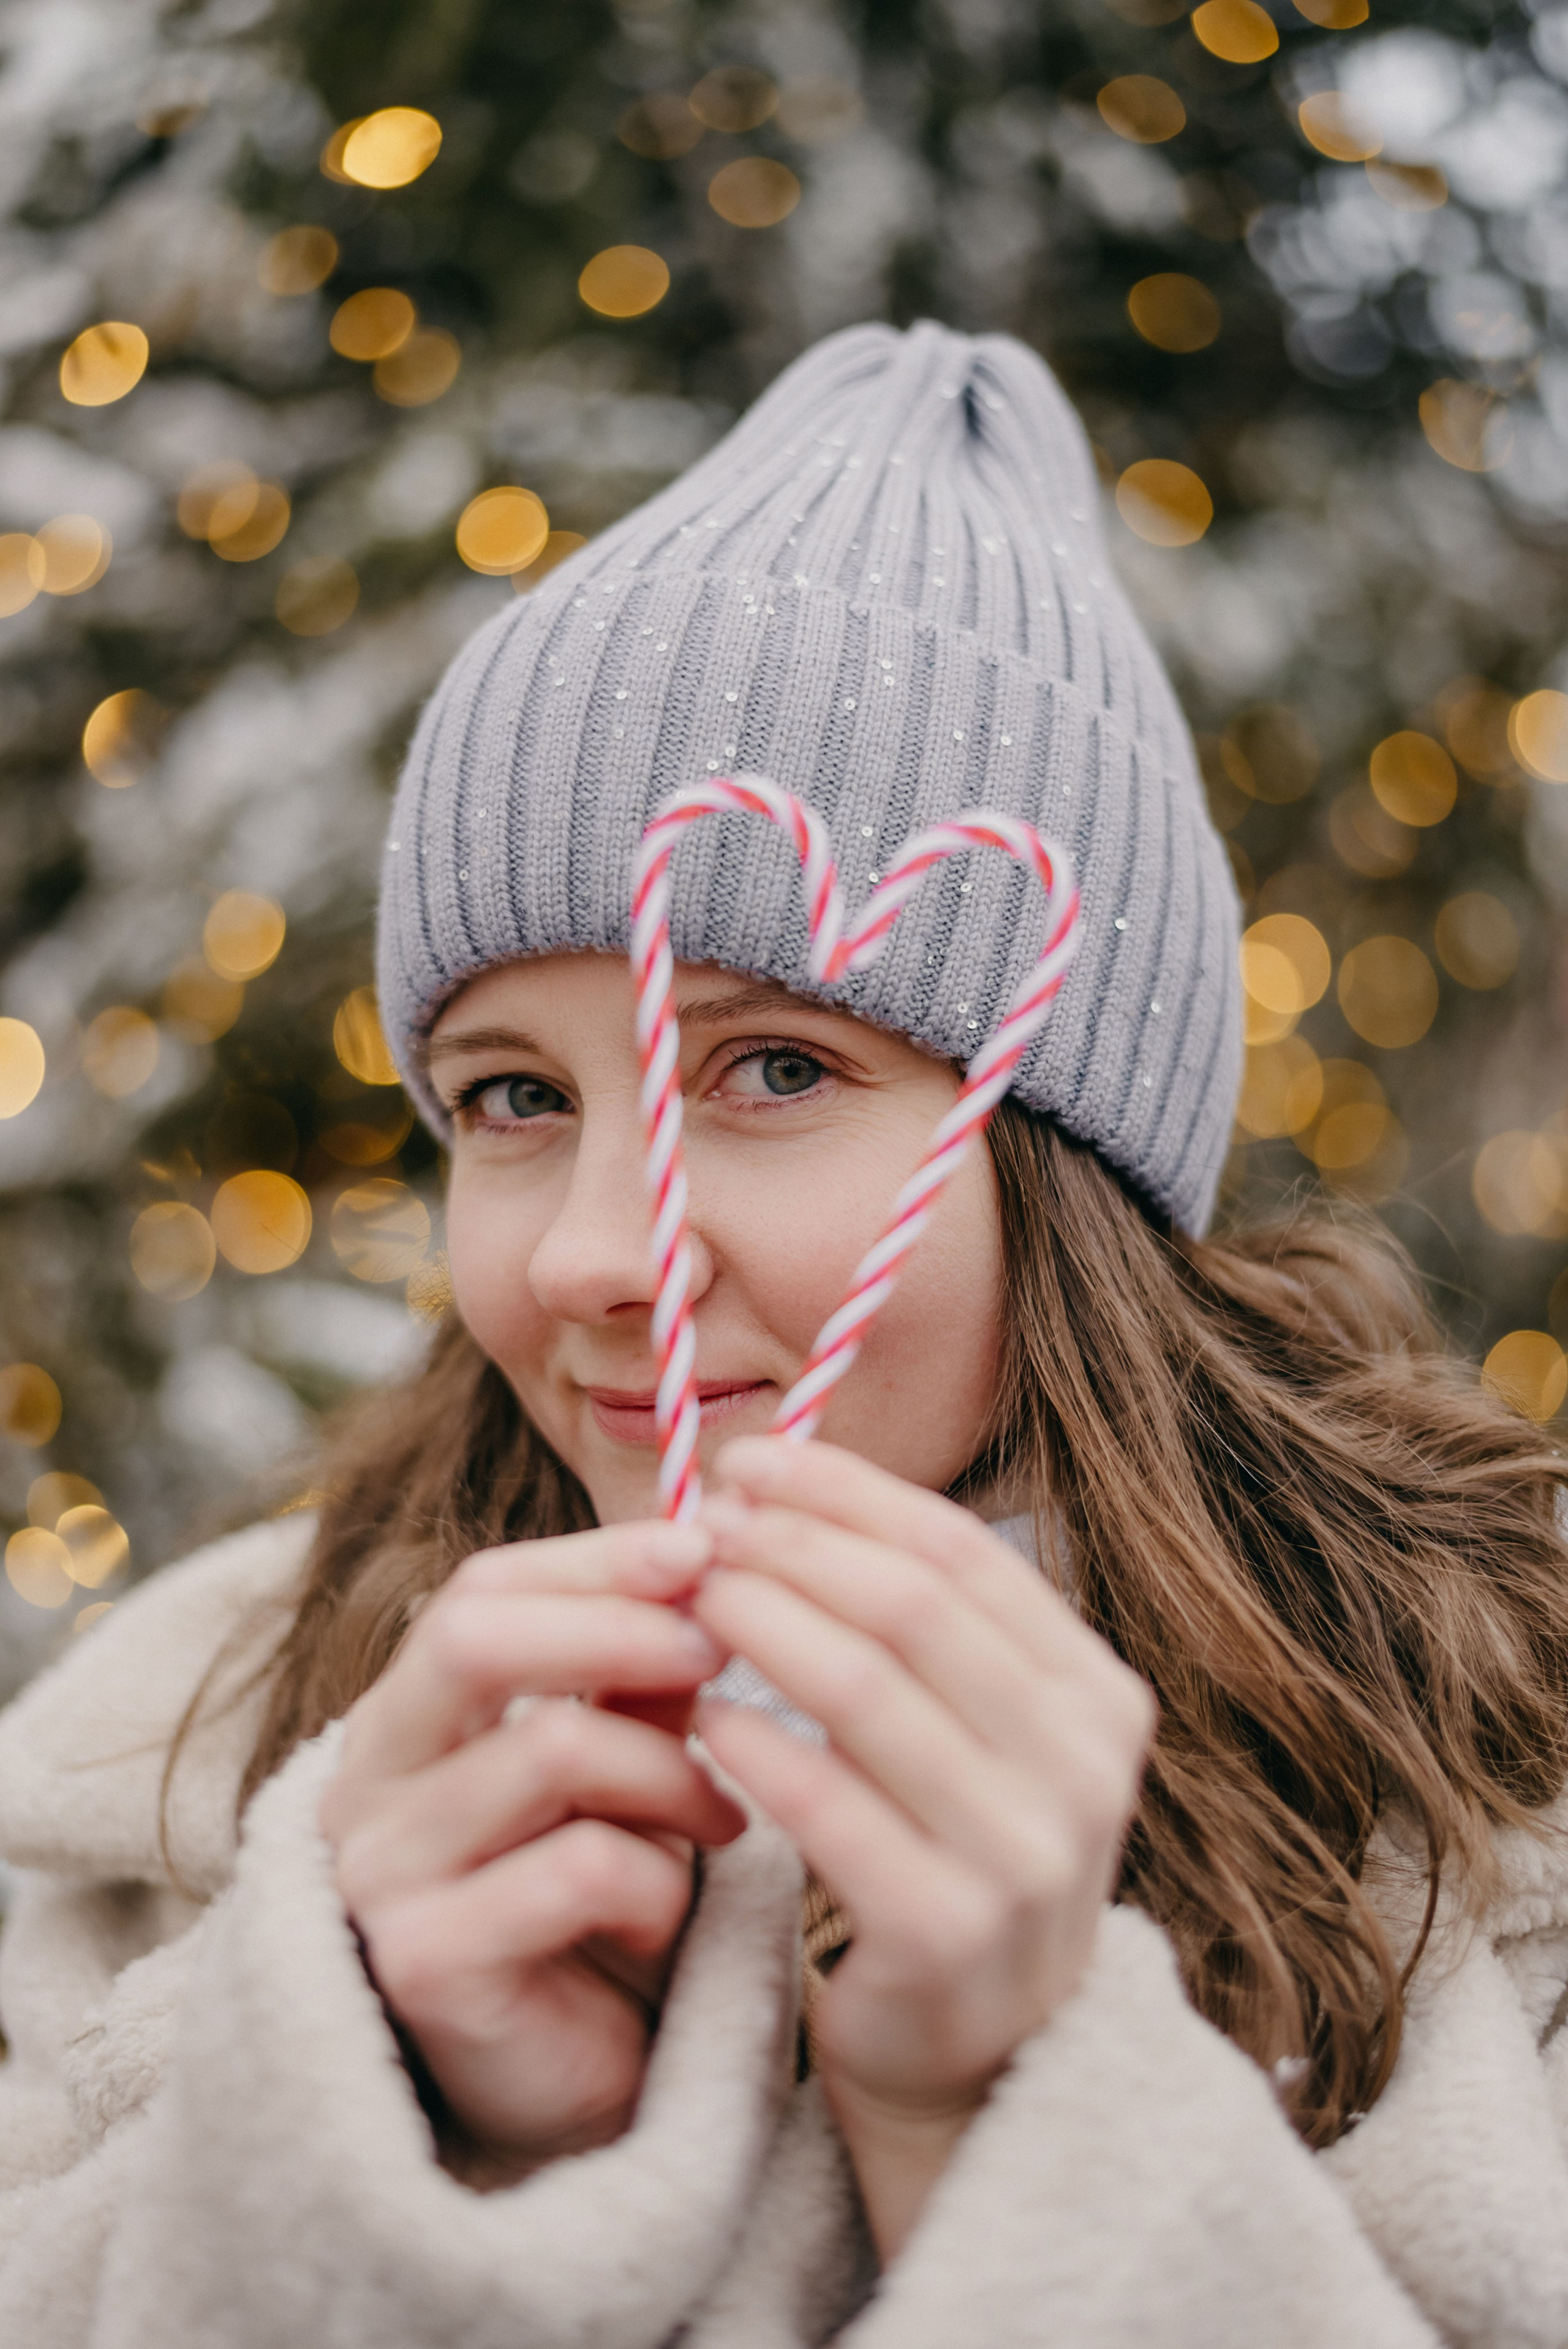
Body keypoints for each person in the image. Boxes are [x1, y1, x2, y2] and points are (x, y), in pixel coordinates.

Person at [2, 322, 1567, 2349]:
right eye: (513, 1096)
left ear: (1062, 1157)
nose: (589, 1254)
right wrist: (417, 2125)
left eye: (772, 1070)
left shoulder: (1485, 1796)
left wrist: (1002, 2123)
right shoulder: (188, 1761)